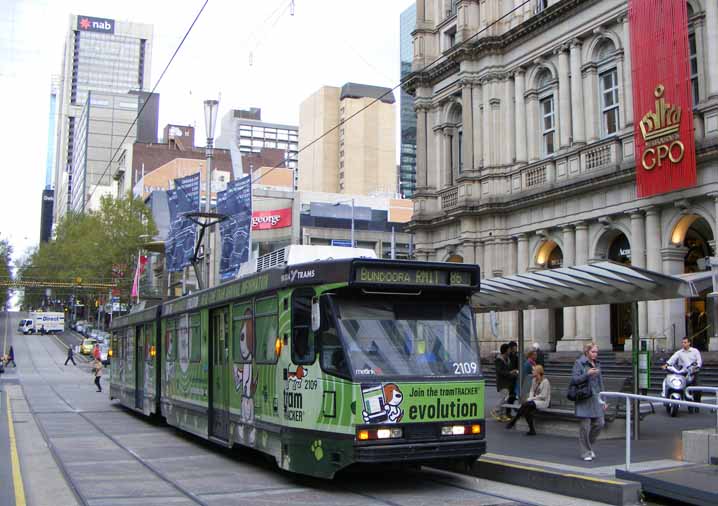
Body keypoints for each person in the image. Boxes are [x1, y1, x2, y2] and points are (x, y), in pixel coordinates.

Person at [572, 342, 607, 461]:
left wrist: (604, 399)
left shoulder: (598, 364)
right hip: (584, 398)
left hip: (596, 398)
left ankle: (588, 446)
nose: (595, 354)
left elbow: (600, 382)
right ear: (587, 352)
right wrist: (587, 374)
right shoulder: (579, 363)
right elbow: (575, 379)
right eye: (593, 352)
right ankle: (585, 452)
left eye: (596, 352)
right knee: (585, 427)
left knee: (600, 423)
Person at [506, 364, 551, 435]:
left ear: (538, 372)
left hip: (543, 402)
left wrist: (531, 398)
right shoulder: (534, 380)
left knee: (526, 405)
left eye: (533, 370)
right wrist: (530, 398)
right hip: (534, 401)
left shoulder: (545, 381)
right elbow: (532, 391)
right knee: (527, 411)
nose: (532, 371)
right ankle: (532, 430)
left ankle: (514, 420)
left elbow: (543, 396)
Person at [663, 336, 702, 404]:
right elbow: (672, 359)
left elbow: (699, 361)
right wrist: (666, 364)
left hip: (693, 372)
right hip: (683, 372)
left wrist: (697, 367)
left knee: (697, 387)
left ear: (689, 343)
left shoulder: (695, 351)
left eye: (685, 342)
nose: (683, 344)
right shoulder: (679, 352)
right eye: (682, 342)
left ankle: (697, 403)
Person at [491, 343, 518, 422]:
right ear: (506, 350)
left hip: (507, 382)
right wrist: (510, 373)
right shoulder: (499, 360)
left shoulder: (507, 359)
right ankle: (495, 410)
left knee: (506, 399)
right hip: (502, 383)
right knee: (503, 398)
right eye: (509, 349)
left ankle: (502, 415)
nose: (510, 351)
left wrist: (512, 372)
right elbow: (500, 371)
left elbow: (507, 370)